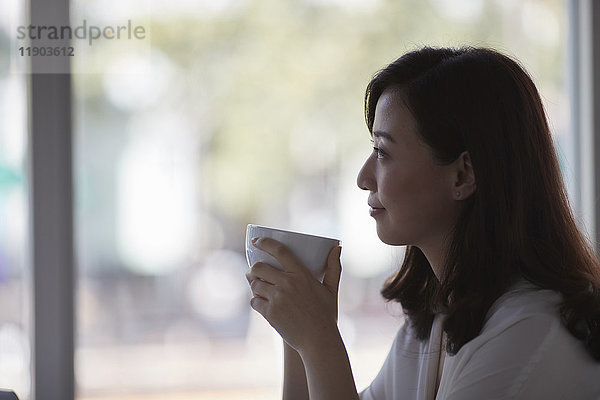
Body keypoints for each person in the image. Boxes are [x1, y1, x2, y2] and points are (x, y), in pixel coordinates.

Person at [245, 46, 600, 399]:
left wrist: (319, 339)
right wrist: (299, 330)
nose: (363, 177)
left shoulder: (526, 331)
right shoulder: (436, 322)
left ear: (462, 175)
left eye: (383, 152)